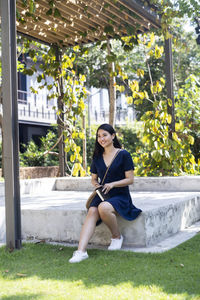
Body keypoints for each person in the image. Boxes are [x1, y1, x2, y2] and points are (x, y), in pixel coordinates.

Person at [69, 123, 142, 263]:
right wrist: (97, 185)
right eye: (99, 136)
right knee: (92, 211)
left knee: (103, 207)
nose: (101, 139)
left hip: (120, 194)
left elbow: (130, 179)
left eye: (105, 135)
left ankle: (116, 237)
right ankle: (81, 251)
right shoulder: (97, 157)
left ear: (113, 136)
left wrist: (113, 184)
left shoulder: (124, 155)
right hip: (103, 194)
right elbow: (93, 179)